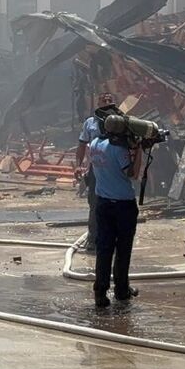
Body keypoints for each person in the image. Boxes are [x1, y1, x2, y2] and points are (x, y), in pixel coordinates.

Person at [88, 130, 140, 308]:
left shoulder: (94, 144)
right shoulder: (118, 149)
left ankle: (100, 292)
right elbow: (132, 174)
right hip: (123, 204)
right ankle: (121, 290)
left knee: (104, 248)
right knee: (123, 249)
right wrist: (138, 151)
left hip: (103, 203)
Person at [76, 92, 121, 252]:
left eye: (110, 100)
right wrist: (78, 165)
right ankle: (93, 238)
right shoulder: (90, 123)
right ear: (98, 103)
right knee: (95, 203)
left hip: (114, 170)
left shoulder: (120, 122)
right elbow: (82, 144)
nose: (107, 102)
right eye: (104, 100)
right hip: (96, 169)